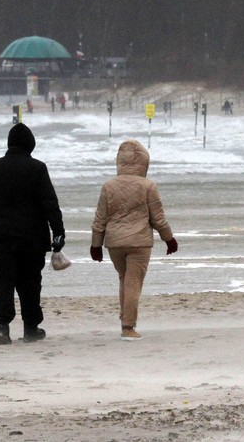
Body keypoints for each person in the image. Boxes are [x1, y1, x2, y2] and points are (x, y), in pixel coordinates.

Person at [0, 123, 66, 345]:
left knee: (3, 282)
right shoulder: (38, 168)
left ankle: (2, 328)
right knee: (30, 283)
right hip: (33, 238)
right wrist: (58, 232)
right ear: (31, 144)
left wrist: (0, 216)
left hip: (3, 236)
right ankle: (30, 328)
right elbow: (50, 203)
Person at [89, 140, 177, 340]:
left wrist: (96, 245)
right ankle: (128, 327)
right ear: (144, 162)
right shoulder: (148, 186)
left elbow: (100, 219)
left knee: (124, 279)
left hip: (114, 243)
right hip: (139, 242)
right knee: (133, 283)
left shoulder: (108, 186)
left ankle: (125, 319)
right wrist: (169, 239)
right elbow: (158, 218)